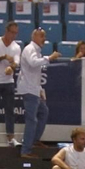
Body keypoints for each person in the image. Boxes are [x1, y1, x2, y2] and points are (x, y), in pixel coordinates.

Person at [19, 27, 59, 159]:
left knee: (43, 112)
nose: (44, 39)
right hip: (29, 89)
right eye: (42, 36)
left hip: (34, 89)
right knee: (32, 120)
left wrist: (40, 89)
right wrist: (49, 58)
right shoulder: (30, 49)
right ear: (34, 37)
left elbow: (35, 73)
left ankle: (34, 140)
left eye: (45, 36)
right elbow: (33, 63)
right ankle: (26, 150)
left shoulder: (36, 50)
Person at [0, 20, 21, 148]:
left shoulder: (16, 47)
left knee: (10, 110)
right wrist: (4, 57)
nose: (14, 36)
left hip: (8, 82)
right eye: (12, 32)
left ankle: (11, 137)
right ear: (6, 31)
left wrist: (11, 67)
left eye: (16, 33)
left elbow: (16, 61)